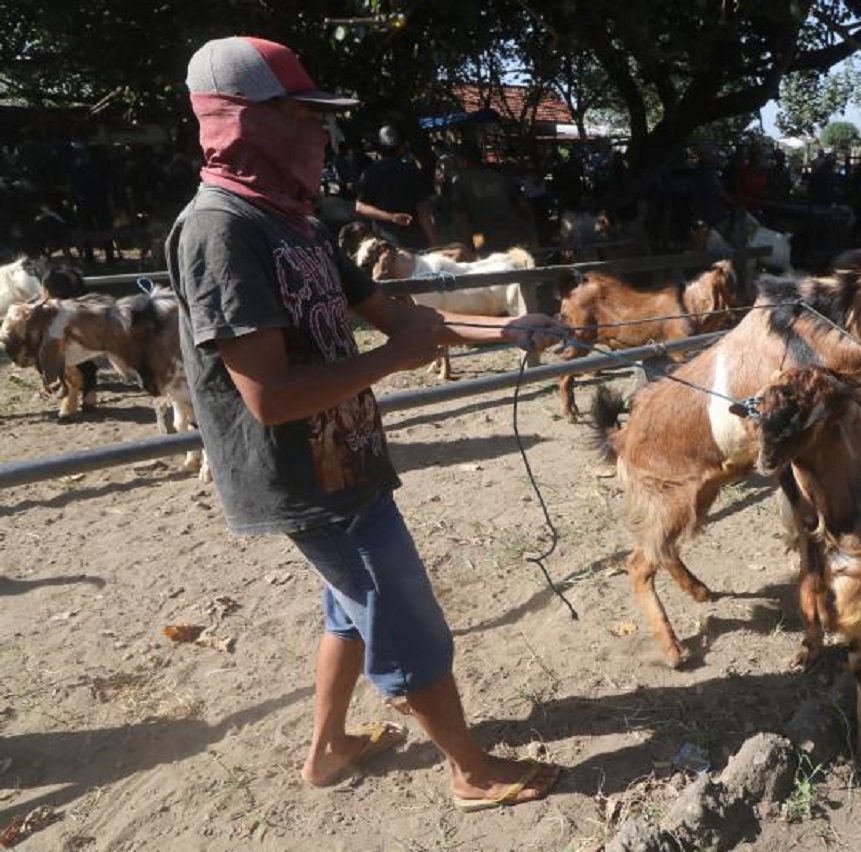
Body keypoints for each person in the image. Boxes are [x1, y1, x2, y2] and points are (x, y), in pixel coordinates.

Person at [166, 35, 565, 809]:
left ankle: (326, 749)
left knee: (348, 610)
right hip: (306, 479)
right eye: (304, 117)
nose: (322, 136)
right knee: (397, 607)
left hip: (345, 454)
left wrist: (508, 331)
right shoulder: (221, 231)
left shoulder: (296, 222)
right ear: (243, 121)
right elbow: (270, 398)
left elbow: (396, 315)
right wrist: (396, 361)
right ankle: (472, 772)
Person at [446, 141, 538, 252]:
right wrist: (531, 234)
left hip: (482, 238)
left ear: (461, 160)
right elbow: (523, 206)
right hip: (513, 233)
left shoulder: (460, 182)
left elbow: (462, 217)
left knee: (490, 266)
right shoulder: (499, 176)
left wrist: (467, 244)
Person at [355, 125, 436, 250]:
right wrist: (433, 241)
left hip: (386, 245)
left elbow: (360, 207)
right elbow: (423, 210)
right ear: (401, 148)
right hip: (416, 241)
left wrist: (391, 217)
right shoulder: (411, 170)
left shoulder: (369, 173)